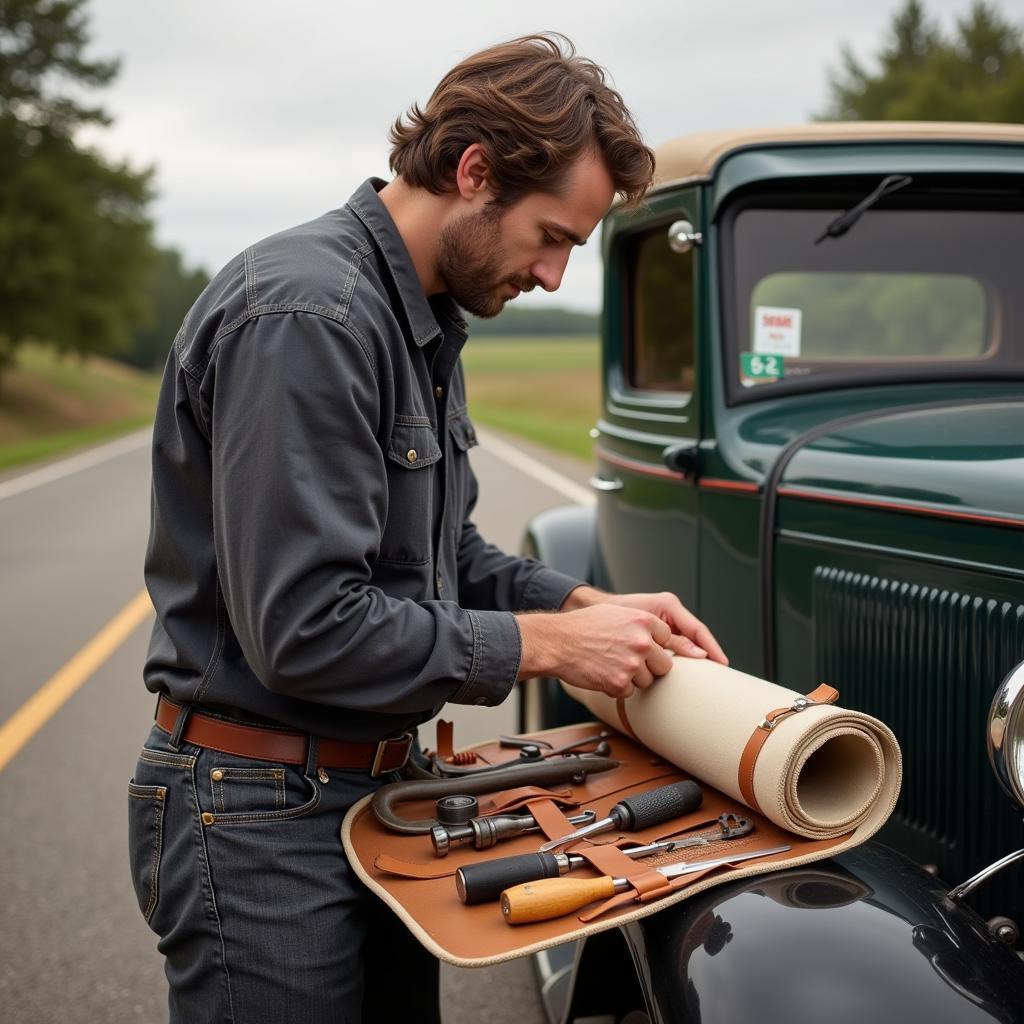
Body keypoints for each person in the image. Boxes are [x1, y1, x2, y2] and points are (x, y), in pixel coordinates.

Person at [128, 32, 727, 1024]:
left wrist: (583, 601)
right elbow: (308, 626)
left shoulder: (420, 318)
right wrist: (552, 645)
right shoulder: (310, 315)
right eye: (551, 235)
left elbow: (440, 559)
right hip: (256, 813)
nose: (550, 275)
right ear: (475, 172)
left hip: (367, 800)